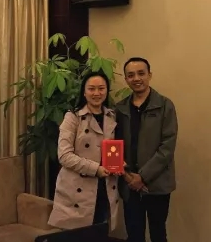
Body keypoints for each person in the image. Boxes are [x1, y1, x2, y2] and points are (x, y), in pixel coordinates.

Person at [48, 72, 124, 233]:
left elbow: (113, 149)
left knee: (100, 233)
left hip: (105, 187)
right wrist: (96, 169)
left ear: (107, 90)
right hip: (77, 190)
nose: (97, 93)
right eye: (91, 89)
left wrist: (119, 163)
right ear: (84, 92)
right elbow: (64, 156)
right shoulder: (72, 117)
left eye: (101, 88)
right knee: (78, 236)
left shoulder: (112, 116)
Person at [115, 57, 178, 242]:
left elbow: (167, 147)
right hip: (129, 184)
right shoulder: (120, 108)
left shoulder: (165, 105)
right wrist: (128, 177)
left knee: (158, 233)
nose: (136, 78)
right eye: (131, 75)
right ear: (126, 79)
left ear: (150, 75)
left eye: (141, 73)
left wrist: (142, 177)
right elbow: (114, 146)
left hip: (157, 184)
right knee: (134, 234)